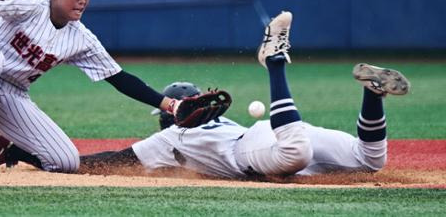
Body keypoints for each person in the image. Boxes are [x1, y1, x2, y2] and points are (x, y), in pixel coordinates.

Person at [76, 11, 411, 178]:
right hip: (274, 131)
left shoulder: (170, 137)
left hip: (257, 147)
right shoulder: (217, 122)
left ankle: (275, 62)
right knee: (370, 161)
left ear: (168, 115)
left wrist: (56, 161)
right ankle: (372, 94)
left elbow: (115, 159)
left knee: (296, 153)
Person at [0, 0, 180, 172]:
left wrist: (171, 105)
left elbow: (119, 78)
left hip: (11, 95)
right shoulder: (31, 7)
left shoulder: (81, 38)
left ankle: (6, 147)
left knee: (66, 161)